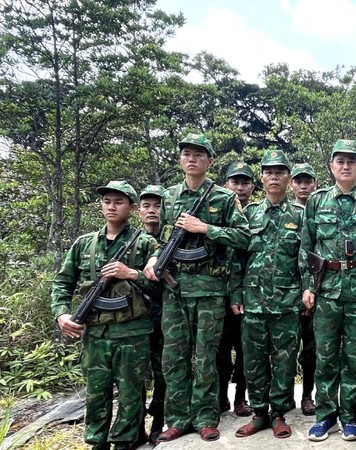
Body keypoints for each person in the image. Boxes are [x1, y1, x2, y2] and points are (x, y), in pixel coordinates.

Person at [143, 133, 250, 443]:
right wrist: (153, 258)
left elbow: (244, 239)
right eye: (186, 154)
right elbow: (162, 240)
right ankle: (177, 419)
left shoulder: (223, 198)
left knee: (206, 357)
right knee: (173, 357)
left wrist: (205, 228)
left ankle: (205, 417)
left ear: (209, 161)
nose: (191, 158)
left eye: (198, 154)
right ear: (180, 160)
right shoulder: (169, 197)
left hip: (210, 289)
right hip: (175, 290)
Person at [52, 181, 158, 450]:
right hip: (95, 334)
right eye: (107, 201)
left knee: (131, 393)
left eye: (119, 202)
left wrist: (131, 274)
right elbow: (62, 283)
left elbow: (162, 286)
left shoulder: (146, 244)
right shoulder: (84, 244)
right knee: (96, 393)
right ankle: (97, 443)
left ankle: (125, 441)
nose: (111, 206)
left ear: (132, 208)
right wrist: (61, 315)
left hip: (133, 332)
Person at [299, 139, 356, 442]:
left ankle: (350, 416)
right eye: (340, 161)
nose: (346, 166)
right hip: (325, 290)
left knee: (353, 357)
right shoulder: (317, 200)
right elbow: (306, 247)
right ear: (331, 166)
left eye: (352, 161)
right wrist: (308, 287)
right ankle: (326, 416)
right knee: (325, 355)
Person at [231, 150, 304, 439]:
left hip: (287, 302)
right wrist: (235, 293)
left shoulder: (300, 215)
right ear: (261, 178)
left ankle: (279, 414)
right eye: (269, 172)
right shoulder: (248, 214)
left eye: (280, 172)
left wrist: (306, 293)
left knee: (285, 360)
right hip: (253, 302)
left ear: (288, 178)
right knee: (253, 359)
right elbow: (237, 258)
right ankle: (259, 412)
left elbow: (305, 259)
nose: (274, 177)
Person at [217, 162, 256, 417]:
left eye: (245, 183)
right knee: (219, 350)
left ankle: (241, 398)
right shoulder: (217, 211)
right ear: (226, 184)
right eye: (235, 182)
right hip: (217, 294)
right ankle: (220, 398)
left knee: (245, 350)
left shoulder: (255, 214)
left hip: (245, 294)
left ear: (253, 186)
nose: (240, 188)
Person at [136, 184, 168, 443]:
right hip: (135, 320)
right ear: (138, 211)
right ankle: (135, 428)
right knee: (133, 376)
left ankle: (159, 423)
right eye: (146, 206)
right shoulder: (131, 243)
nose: (152, 211)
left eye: (157, 205)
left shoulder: (173, 240)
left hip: (165, 316)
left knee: (163, 372)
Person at [290, 162, 319, 415]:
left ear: (315, 184)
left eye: (307, 181)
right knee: (284, 350)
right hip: (284, 294)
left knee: (311, 350)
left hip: (312, 292)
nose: (303, 185)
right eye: (298, 181)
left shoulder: (321, 212)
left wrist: (311, 288)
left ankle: (308, 395)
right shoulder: (283, 212)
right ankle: (284, 396)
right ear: (292, 184)